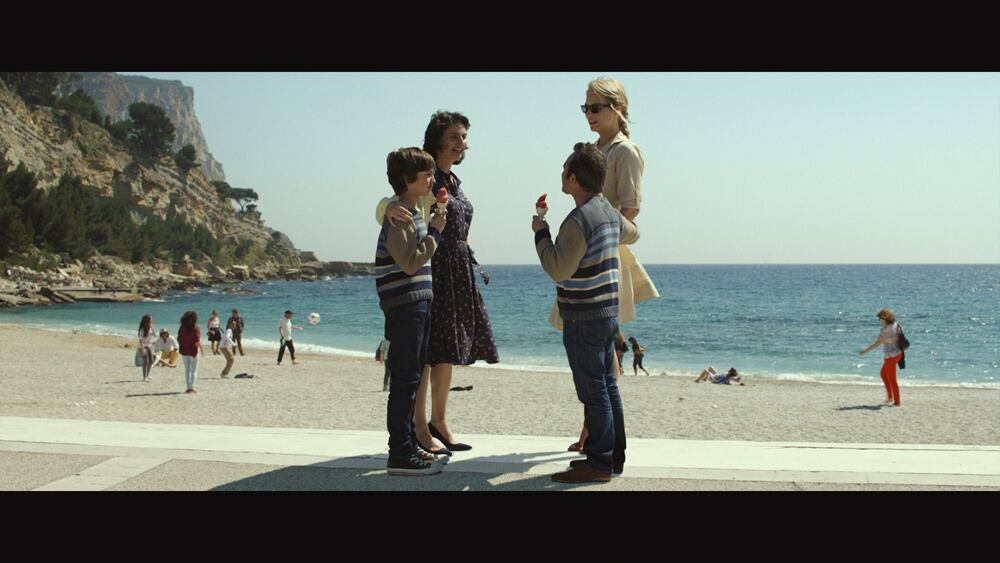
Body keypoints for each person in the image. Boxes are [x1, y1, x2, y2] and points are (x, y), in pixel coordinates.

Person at [377, 111, 499, 455]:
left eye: (464, 137)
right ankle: (418, 425)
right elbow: (393, 203)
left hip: (457, 267)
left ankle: (439, 421)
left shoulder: (453, 180)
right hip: (433, 266)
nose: (462, 143)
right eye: (455, 137)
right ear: (438, 140)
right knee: (428, 353)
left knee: (448, 349)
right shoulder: (425, 174)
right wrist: (387, 207)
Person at [533, 142, 640, 483]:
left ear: (574, 179)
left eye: (565, 170)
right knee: (607, 385)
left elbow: (558, 268)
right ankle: (612, 457)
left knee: (593, 390)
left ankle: (599, 463)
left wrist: (541, 232)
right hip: (607, 312)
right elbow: (633, 233)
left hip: (583, 314)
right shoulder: (606, 210)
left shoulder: (578, 220)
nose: (562, 174)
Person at [565, 77, 659, 451]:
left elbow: (631, 209)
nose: (588, 114)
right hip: (588, 253)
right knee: (597, 353)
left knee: (598, 352)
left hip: (606, 256)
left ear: (617, 108)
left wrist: (599, 233)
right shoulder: (593, 149)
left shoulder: (625, 152)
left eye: (595, 107)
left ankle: (597, 439)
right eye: (585, 107)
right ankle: (596, 435)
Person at [376, 147, 448, 476]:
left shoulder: (410, 210)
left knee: (413, 376)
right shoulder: (401, 215)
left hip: (415, 302)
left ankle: (406, 445)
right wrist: (435, 232)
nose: (432, 180)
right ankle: (400, 452)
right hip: (405, 304)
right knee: (406, 379)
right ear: (408, 179)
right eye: (427, 175)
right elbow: (409, 262)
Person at [859, 308, 904, 407]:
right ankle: (890, 397)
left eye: (880, 319)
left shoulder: (885, 330)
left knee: (892, 380)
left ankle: (897, 402)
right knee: (883, 374)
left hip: (890, 357)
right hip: (899, 354)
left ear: (884, 318)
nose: (879, 321)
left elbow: (877, 344)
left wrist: (865, 351)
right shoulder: (897, 324)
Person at [177, 310, 205, 394]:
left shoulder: (182, 327)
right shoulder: (195, 328)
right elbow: (197, 341)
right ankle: (191, 388)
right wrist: (201, 350)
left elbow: (179, 339)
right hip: (193, 351)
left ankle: (188, 387)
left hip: (184, 351)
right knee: (194, 370)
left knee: (187, 369)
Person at [137, 314, 155, 382]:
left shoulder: (150, 328)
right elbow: (141, 340)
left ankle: (147, 375)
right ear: (147, 320)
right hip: (143, 347)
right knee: (146, 361)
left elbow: (154, 334)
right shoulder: (142, 329)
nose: (152, 321)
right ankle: (144, 377)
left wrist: (151, 327)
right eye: (151, 319)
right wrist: (142, 349)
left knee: (151, 361)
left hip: (149, 346)